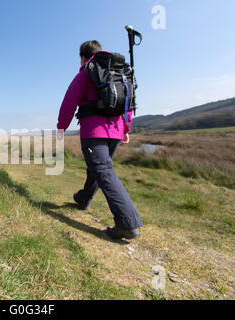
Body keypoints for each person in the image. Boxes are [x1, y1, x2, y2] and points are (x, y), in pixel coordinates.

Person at [56, 40, 143, 240]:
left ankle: (127, 223)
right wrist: (126, 129)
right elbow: (129, 103)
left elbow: (69, 102)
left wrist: (61, 127)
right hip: (116, 131)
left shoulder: (87, 71)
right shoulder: (120, 72)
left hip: (94, 132)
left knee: (103, 172)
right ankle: (83, 199)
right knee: (98, 170)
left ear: (83, 57)